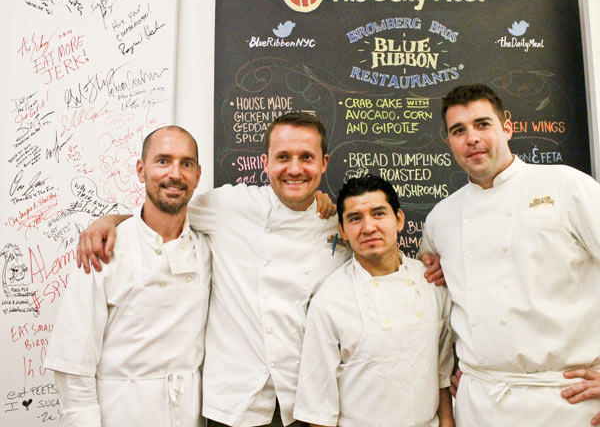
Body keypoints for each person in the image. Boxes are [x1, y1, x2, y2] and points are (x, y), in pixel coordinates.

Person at [76, 112, 350, 427]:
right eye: (283, 157)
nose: (295, 168)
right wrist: (109, 220)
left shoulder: (341, 223)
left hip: (305, 404)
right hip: (235, 405)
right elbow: (166, 208)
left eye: (306, 157)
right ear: (265, 162)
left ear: (325, 162)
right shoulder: (230, 205)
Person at [419, 84, 600, 426]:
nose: (471, 137)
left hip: (566, 401)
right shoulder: (441, 218)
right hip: (479, 404)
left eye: (482, 124)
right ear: (449, 142)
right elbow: (435, 295)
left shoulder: (567, 186)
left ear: (508, 127)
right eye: (459, 130)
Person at [44, 126, 212, 427]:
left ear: (198, 175)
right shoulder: (104, 249)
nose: (175, 173)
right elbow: (73, 364)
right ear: (140, 170)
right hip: (119, 414)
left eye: (186, 163)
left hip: (189, 416)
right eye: (163, 161)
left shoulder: (208, 247)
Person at [293, 174, 454, 427]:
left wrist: (447, 421)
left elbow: (442, 372)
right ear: (342, 231)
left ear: (399, 220)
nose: (368, 228)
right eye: (355, 218)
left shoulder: (431, 283)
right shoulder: (330, 301)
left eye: (378, 214)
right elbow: (318, 405)